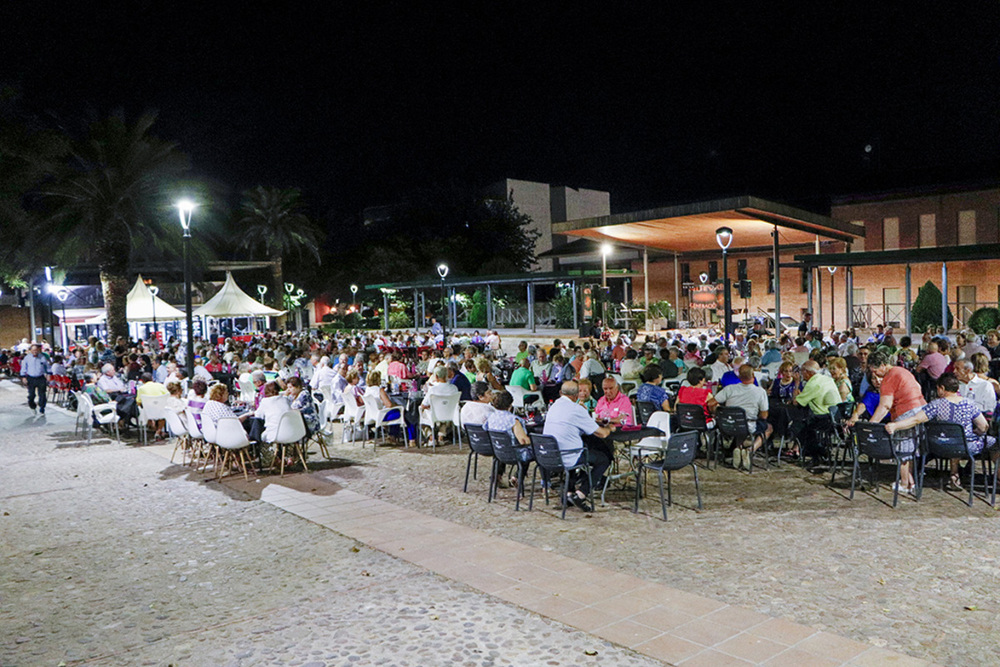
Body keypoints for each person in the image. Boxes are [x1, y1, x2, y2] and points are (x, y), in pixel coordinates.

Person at [886, 373, 994, 491]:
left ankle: (954, 475)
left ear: (942, 388)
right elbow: (984, 426)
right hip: (965, 446)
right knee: (994, 444)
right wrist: (976, 433)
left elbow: (916, 419)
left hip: (939, 446)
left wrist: (896, 425)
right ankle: (995, 478)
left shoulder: (936, 405)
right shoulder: (970, 404)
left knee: (953, 441)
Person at [857, 350, 927, 493]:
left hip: (905, 411)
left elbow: (885, 405)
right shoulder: (902, 371)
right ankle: (910, 481)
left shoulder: (889, 378)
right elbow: (918, 388)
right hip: (920, 409)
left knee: (902, 449)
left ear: (883, 365)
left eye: (875, 370)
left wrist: (871, 425)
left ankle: (904, 483)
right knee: (910, 449)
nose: (874, 373)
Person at [542, 381, 615, 512]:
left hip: (551, 456)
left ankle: (569, 493)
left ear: (560, 393)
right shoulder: (576, 409)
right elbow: (602, 434)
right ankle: (581, 493)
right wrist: (609, 428)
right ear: (576, 396)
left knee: (574, 448)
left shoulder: (553, 407)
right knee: (604, 459)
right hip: (568, 456)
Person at [715, 364, 772, 470]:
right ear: (753, 375)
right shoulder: (760, 392)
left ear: (739, 377)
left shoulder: (729, 389)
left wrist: (718, 413)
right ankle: (750, 450)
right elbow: (764, 415)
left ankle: (738, 447)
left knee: (740, 426)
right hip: (749, 425)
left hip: (727, 424)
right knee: (768, 428)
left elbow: (711, 403)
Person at [792, 360, 841, 467]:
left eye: (802, 371)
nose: (801, 374)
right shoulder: (827, 379)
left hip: (824, 419)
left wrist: (796, 384)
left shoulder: (813, 383)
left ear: (808, 372)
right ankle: (820, 451)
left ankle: (818, 453)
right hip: (837, 416)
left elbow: (797, 402)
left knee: (801, 427)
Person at [484, 390, 532, 489]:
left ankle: (497, 475)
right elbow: (523, 441)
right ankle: (517, 477)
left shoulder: (491, 417)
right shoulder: (513, 420)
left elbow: (485, 429)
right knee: (528, 451)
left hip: (498, 451)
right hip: (514, 453)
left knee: (503, 444)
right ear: (510, 405)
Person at [20, 343, 50, 415]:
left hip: (40, 377)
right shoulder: (27, 358)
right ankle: (32, 406)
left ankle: (42, 407)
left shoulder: (42, 357)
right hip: (31, 378)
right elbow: (24, 368)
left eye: (36, 350)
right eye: (33, 350)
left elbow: (47, 366)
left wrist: (48, 374)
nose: (35, 351)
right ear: (30, 350)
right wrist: (23, 377)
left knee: (42, 394)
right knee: (31, 395)